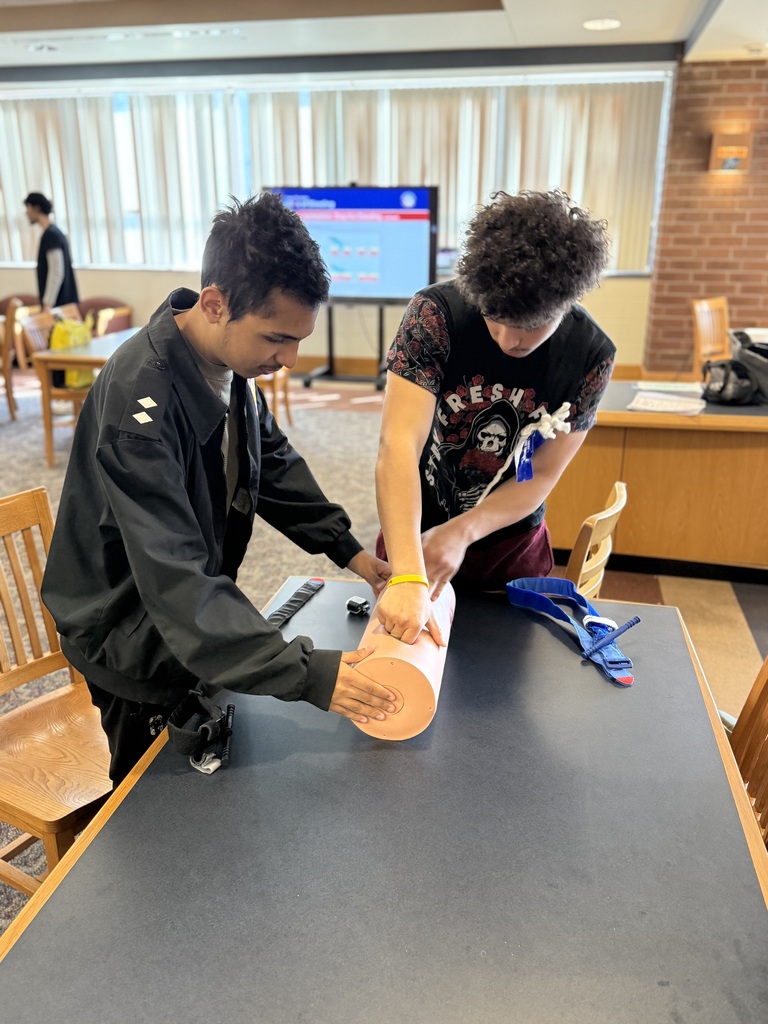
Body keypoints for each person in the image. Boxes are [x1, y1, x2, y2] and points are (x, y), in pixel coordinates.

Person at [41, 193, 396, 785]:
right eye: (276, 338)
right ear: (214, 303)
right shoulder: (140, 405)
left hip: (189, 615)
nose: (289, 358)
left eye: (300, 339)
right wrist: (313, 674)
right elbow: (175, 578)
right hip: (131, 634)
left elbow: (271, 466)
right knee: (154, 812)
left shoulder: (226, 363)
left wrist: (353, 553)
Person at [374, 189, 615, 645]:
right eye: (495, 317)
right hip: (413, 534)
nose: (509, 339)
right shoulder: (434, 314)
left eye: (531, 326)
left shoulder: (590, 355)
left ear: (565, 304)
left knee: (500, 694)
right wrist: (407, 575)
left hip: (508, 547)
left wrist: (464, 530)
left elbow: (541, 474)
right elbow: (398, 445)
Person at [23, 191, 79, 310]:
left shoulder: (51, 235)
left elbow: (56, 271)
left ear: (36, 208)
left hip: (59, 305)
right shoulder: (56, 232)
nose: (26, 213)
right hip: (63, 303)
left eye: (28, 207)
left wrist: (48, 304)